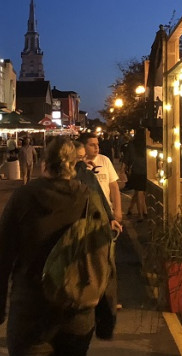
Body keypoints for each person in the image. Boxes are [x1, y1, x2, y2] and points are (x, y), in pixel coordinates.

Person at [0, 136, 107, 356]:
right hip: (77, 308)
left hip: (31, 307)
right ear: (73, 165)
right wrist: (107, 312)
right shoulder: (88, 198)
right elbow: (101, 253)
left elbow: (3, 253)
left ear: (45, 163)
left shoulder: (23, 197)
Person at [74, 141, 120, 340]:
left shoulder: (89, 172)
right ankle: (104, 318)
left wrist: (111, 217)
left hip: (90, 230)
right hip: (89, 232)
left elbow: (103, 195)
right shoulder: (83, 175)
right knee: (103, 269)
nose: (85, 161)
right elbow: (97, 199)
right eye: (80, 158)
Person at [80, 134, 122, 224]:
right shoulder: (78, 165)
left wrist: (117, 209)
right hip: (84, 214)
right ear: (83, 146)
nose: (96, 147)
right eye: (92, 145)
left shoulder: (105, 160)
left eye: (97, 144)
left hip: (105, 211)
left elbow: (114, 187)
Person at [123, 133, 147, 221]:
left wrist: (122, 169)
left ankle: (134, 210)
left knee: (138, 191)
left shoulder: (131, 144)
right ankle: (142, 212)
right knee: (141, 191)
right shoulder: (147, 144)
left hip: (136, 170)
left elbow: (127, 157)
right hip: (147, 170)